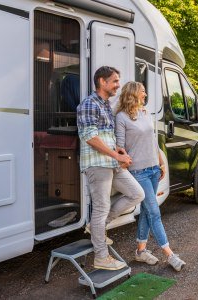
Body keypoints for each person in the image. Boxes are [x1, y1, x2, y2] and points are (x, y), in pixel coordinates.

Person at [77, 66, 145, 271]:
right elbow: (90, 137)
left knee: (136, 194)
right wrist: (116, 155)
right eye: (115, 81)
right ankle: (101, 257)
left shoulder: (106, 104)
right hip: (98, 164)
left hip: (111, 162)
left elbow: (107, 135)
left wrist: (119, 152)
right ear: (101, 82)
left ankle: (96, 228)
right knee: (100, 208)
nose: (118, 85)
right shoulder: (89, 104)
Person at [115, 81, 186, 272]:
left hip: (154, 169)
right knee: (154, 212)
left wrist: (160, 162)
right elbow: (120, 147)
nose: (145, 95)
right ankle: (170, 254)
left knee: (147, 211)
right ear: (133, 94)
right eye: (143, 92)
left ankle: (140, 251)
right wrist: (125, 162)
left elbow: (153, 141)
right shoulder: (121, 117)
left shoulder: (145, 113)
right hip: (138, 172)